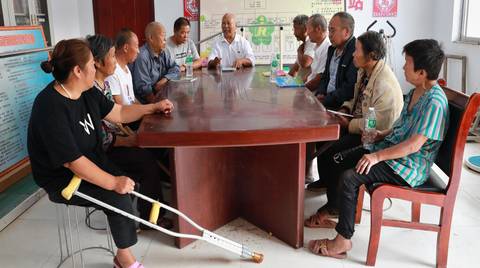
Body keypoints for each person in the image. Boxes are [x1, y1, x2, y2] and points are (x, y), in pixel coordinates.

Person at [27, 38, 174, 268]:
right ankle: (124, 258)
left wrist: (152, 107)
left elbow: (119, 113)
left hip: (92, 158)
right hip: (61, 177)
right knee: (117, 193)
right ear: (77, 70)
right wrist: (113, 181)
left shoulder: (87, 92)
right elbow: (73, 163)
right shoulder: (49, 106)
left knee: (138, 167)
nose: (95, 68)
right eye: (91, 65)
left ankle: (143, 220)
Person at [307, 39, 448, 259]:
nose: (402, 67)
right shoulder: (415, 92)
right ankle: (335, 209)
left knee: (349, 178)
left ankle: (342, 240)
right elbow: (400, 129)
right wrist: (381, 135)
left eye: (407, 63)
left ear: (421, 72)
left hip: (407, 166)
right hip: (392, 152)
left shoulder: (435, 103)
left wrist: (376, 156)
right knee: (336, 158)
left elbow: (413, 145)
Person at [305, 31, 404, 219]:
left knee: (335, 152)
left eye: (357, 50)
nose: (353, 54)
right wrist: (344, 108)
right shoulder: (365, 70)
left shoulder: (384, 84)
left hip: (375, 138)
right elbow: (355, 98)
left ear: (372, 55)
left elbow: (376, 125)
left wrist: (349, 124)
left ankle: (336, 206)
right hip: (359, 124)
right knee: (326, 142)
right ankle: (329, 185)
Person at [87, 34, 173, 230]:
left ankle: (154, 203)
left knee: (150, 150)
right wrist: (129, 141)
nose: (115, 60)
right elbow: (102, 137)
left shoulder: (104, 84)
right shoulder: (91, 91)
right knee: (146, 162)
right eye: (111, 56)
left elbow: (118, 117)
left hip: (113, 141)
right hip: (102, 152)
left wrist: (131, 135)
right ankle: (150, 219)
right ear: (98, 63)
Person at [314, 12, 358, 109]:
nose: (329, 35)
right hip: (327, 102)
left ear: (346, 32)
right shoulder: (331, 50)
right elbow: (325, 77)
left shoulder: (355, 52)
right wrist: (320, 93)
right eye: (329, 31)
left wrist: (326, 99)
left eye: (333, 31)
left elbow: (350, 88)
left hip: (341, 106)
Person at [132, 22, 180, 104]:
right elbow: (145, 91)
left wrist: (165, 79)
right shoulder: (142, 57)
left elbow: (175, 67)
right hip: (146, 103)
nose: (165, 39)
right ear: (151, 38)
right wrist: (158, 106)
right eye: (162, 36)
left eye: (165, 36)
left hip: (162, 96)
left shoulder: (163, 51)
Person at [105, 28, 140, 106]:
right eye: (136, 46)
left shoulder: (126, 68)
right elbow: (120, 108)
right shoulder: (112, 71)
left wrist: (148, 109)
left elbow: (132, 99)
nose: (138, 51)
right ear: (126, 48)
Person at [304, 13, 330, 91]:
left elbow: (317, 81)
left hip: (315, 94)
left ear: (318, 29)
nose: (307, 33)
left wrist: (300, 89)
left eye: (308, 29)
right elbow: (313, 73)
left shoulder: (327, 48)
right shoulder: (317, 46)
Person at [288, 15, 316, 82]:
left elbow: (305, 63)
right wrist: (286, 80)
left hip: (307, 89)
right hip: (300, 86)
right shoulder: (305, 44)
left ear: (305, 29)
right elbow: (295, 68)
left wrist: (299, 50)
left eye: (296, 29)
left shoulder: (312, 42)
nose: (294, 33)